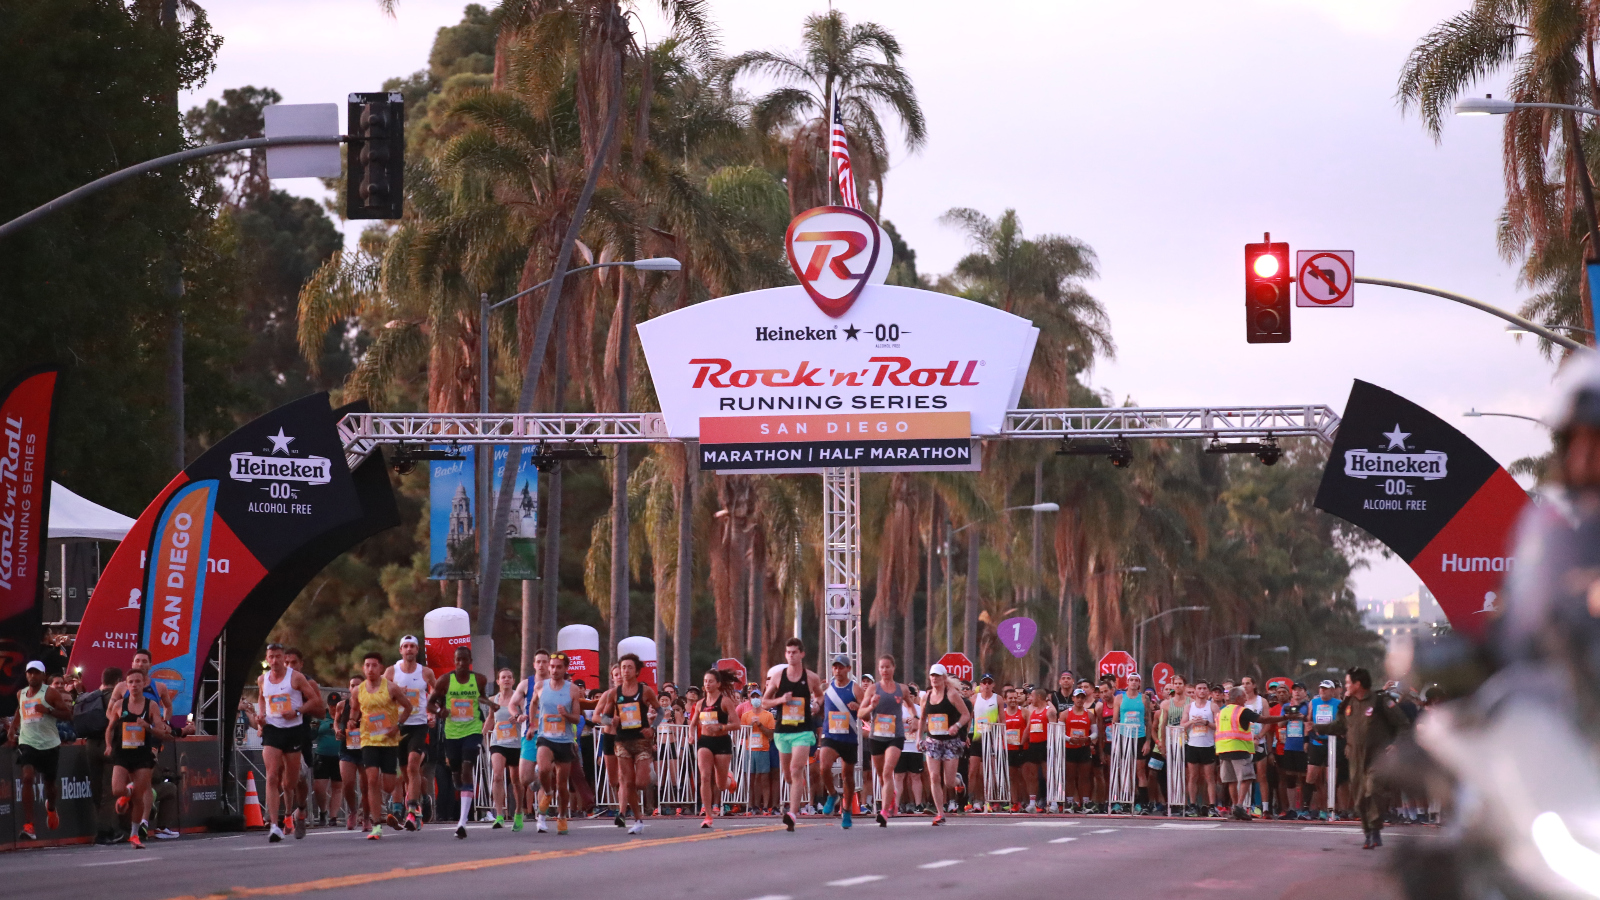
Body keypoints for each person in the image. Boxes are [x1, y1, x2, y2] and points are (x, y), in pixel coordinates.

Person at [1311, 667, 1409, 849]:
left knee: (1373, 789)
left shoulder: (1380, 701)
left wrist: (1396, 744)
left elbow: (1402, 724)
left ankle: (1375, 829)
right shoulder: (1347, 703)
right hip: (1355, 757)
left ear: (1358, 684)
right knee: (1360, 799)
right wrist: (1317, 727)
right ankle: (1369, 832)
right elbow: (1340, 726)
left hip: (1377, 755)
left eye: (1348, 682)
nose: (1346, 685)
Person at [257, 642, 324, 842]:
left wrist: (297, 711)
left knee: (290, 782)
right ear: (267, 659)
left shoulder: (295, 677)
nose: (276, 661)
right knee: (271, 776)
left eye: (279, 656)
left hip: (294, 730)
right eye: (272, 657)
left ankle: (300, 810)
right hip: (272, 730)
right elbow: (261, 698)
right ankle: (275, 825)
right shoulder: (262, 679)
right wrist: (261, 715)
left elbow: (315, 701)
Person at [427, 645, 493, 839]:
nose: (461, 663)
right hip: (452, 733)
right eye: (458, 660)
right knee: (456, 773)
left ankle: (462, 822)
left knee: (467, 769)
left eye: (465, 659)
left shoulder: (479, 679)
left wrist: (490, 704)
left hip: (473, 730)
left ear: (470, 660)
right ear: (454, 661)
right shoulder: (445, 681)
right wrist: (440, 712)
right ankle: (458, 781)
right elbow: (431, 703)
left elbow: (480, 696)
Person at [761, 637, 823, 832]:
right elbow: (764, 702)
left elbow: (820, 695)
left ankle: (792, 814)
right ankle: (795, 789)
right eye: (788, 652)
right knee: (787, 774)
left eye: (794, 652)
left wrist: (816, 705)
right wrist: (781, 699)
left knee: (797, 769)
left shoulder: (811, 677)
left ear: (802, 654)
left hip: (803, 730)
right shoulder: (779, 677)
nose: (791, 656)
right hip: (783, 731)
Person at [350, 651, 413, 840]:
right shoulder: (357, 690)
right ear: (363, 668)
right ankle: (376, 824)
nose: (370, 669)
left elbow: (408, 707)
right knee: (371, 780)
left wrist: (398, 725)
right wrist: (352, 721)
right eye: (367, 665)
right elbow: (354, 709)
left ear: (380, 668)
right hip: (368, 740)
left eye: (374, 665)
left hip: (389, 740)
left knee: (388, 784)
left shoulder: (391, 688)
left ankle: (399, 780)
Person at [106, 668, 171, 849]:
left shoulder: (150, 706)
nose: (134, 685)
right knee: (116, 790)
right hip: (123, 752)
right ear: (126, 685)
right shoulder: (119, 705)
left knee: (139, 797)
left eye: (137, 681)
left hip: (142, 754)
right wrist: (109, 745)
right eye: (131, 682)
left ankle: (134, 835)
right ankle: (126, 792)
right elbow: (110, 727)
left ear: (144, 684)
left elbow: (161, 731)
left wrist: (148, 726)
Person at [7, 660, 71, 839]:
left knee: (50, 785)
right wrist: (13, 728)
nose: (32, 676)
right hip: (27, 742)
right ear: (26, 675)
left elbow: (67, 714)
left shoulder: (50, 693)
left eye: (36, 673)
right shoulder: (21, 694)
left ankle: (51, 808)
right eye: (29, 673)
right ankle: (29, 825)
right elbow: (19, 711)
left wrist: (48, 710)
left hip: (49, 744)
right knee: (27, 778)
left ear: (43, 676)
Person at [1214, 686, 1298, 820]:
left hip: (1223, 749)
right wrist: (1284, 717)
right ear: (1237, 698)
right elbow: (1263, 719)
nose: (1246, 699)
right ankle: (1240, 806)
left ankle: (1235, 806)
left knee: (1231, 780)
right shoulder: (1241, 711)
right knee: (1247, 777)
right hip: (1239, 748)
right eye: (1243, 697)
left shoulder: (1222, 712)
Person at [595, 653, 656, 834]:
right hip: (617, 739)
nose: (624, 672)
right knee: (621, 781)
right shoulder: (611, 694)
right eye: (621, 669)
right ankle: (633, 816)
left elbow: (658, 711)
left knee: (635, 782)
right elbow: (600, 716)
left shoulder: (644, 691)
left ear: (636, 671)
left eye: (628, 668)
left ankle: (626, 812)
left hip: (637, 739)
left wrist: (652, 727)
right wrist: (611, 720)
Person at [529, 652, 585, 834]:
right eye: (552, 666)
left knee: (562, 784)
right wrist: (531, 724)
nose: (554, 670)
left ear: (565, 669)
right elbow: (532, 704)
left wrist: (566, 714)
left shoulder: (572, 690)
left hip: (565, 739)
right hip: (546, 737)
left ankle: (561, 816)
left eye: (558, 667)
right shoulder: (540, 686)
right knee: (544, 769)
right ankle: (546, 795)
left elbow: (577, 718)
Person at [383, 636, 435, 831]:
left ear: (417, 650)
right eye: (405, 646)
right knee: (405, 773)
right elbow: (381, 696)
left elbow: (437, 695)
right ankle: (423, 801)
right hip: (399, 726)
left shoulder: (426, 672)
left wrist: (432, 714)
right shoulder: (391, 672)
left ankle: (411, 811)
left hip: (419, 725)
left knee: (413, 765)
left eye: (412, 646)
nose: (409, 649)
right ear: (400, 650)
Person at [859, 654, 914, 827]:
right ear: (879, 669)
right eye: (881, 667)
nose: (884, 670)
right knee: (882, 776)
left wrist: (916, 718)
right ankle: (890, 798)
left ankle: (883, 812)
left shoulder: (902, 689)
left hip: (895, 735)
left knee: (888, 771)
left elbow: (911, 705)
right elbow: (861, 714)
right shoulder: (873, 689)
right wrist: (871, 706)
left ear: (893, 668)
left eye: (887, 667)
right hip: (877, 736)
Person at [919, 663, 971, 826]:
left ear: (943, 678)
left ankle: (958, 781)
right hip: (933, 740)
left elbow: (965, 714)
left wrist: (956, 726)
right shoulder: (926, 696)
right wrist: (919, 738)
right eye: (932, 676)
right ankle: (940, 813)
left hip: (950, 741)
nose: (934, 679)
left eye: (937, 676)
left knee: (948, 782)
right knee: (934, 777)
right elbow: (922, 719)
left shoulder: (952, 694)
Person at [689, 667, 739, 828]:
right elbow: (692, 724)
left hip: (722, 742)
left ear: (718, 684)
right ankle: (708, 815)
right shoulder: (699, 704)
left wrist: (722, 727)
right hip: (705, 742)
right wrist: (691, 735)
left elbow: (737, 724)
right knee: (704, 777)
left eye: (710, 681)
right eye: (705, 681)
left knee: (720, 784)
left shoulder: (725, 702)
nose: (707, 684)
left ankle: (729, 780)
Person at [816, 654, 861, 826]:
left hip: (848, 737)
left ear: (849, 669)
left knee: (847, 776)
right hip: (830, 735)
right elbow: (817, 704)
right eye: (835, 667)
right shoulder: (827, 688)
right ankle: (832, 793)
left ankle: (847, 810)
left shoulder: (855, 688)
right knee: (824, 766)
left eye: (841, 667)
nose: (837, 670)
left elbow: (867, 710)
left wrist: (859, 707)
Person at [485, 668, 522, 829]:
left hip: (516, 743)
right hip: (498, 743)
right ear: (498, 681)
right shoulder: (493, 699)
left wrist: (518, 718)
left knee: (516, 780)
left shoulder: (519, 699)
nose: (506, 680)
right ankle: (499, 815)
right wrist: (482, 734)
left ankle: (519, 812)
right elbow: (490, 719)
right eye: (503, 677)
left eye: (509, 677)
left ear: (513, 681)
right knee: (498, 776)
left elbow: (526, 716)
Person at [963, 674, 1000, 812]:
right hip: (977, 738)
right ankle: (970, 800)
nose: (986, 685)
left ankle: (987, 801)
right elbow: (968, 718)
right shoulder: (974, 699)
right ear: (981, 684)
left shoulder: (998, 699)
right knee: (972, 771)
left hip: (991, 738)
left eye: (989, 682)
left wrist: (1000, 738)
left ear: (993, 685)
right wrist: (966, 735)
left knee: (988, 771)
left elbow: (1001, 720)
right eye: (984, 682)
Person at [1180, 680, 1217, 816]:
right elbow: (1182, 725)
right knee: (1193, 777)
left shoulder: (1212, 706)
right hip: (1193, 745)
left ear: (1208, 691)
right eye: (1199, 689)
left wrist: (1206, 722)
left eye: (1204, 689)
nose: (1201, 691)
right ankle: (1193, 805)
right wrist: (1192, 722)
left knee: (1209, 777)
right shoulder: (1189, 707)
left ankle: (1211, 806)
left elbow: (1219, 726)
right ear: (1195, 691)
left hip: (1207, 745)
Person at [740, 685, 776, 815]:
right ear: (749, 700)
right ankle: (751, 805)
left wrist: (760, 725)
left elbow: (771, 734)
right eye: (753, 697)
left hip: (763, 749)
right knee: (750, 778)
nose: (755, 699)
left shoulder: (768, 715)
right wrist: (750, 726)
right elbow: (743, 734)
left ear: (761, 698)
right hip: (749, 749)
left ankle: (765, 806)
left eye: (757, 696)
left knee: (764, 778)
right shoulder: (745, 715)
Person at [1059, 688, 1096, 812]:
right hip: (1070, 748)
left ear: (1085, 699)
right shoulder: (1065, 714)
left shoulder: (1089, 714)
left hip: (1084, 748)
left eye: (1082, 697)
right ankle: (1069, 803)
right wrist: (1069, 739)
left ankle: (1085, 802)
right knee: (1070, 776)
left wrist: (1088, 738)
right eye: (1077, 697)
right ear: (1073, 698)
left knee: (1084, 777)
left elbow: (1095, 733)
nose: (1079, 700)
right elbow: (1059, 733)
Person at [311, 691, 343, 826]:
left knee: (337, 787)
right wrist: (313, 727)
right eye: (331, 706)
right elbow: (312, 734)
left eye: (336, 706)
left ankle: (333, 816)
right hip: (322, 755)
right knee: (319, 788)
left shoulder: (345, 717)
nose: (334, 709)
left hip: (340, 755)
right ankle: (323, 811)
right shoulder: (321, 717)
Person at [334, 680, 363, 830]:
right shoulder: (342, 705)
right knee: (348, 783)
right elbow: (336, 721)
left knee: (367, 785)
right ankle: (352, 810)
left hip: (365, 748)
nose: (355, 688)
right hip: (347, 747)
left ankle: (364, 814)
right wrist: (337, 730)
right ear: (349, 687)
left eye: (359, 685)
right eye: (352, 685)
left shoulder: (369, 704)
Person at [894, 683, 927, 814]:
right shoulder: (896, 709)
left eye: (911, 696)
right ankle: (896, 805)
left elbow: (927, 726)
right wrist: (903, 721)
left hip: (915, 747)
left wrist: (917, 724)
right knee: (899, 777)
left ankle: (918, 804)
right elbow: (891, 723)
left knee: (915, 776)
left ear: (915, 697)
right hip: (900, 747)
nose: (908, 698)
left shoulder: (919, 709)